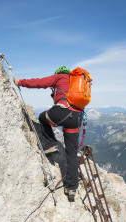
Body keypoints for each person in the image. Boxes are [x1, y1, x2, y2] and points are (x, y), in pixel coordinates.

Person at [13, 66, 82, 202]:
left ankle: (51, 144)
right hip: (77, 118)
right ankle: (72, 188)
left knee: (42, 118)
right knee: (72, 153)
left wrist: (20, 82)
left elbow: (40, 82)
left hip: (61, 112)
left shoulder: (59, 77)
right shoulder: (77, 82)